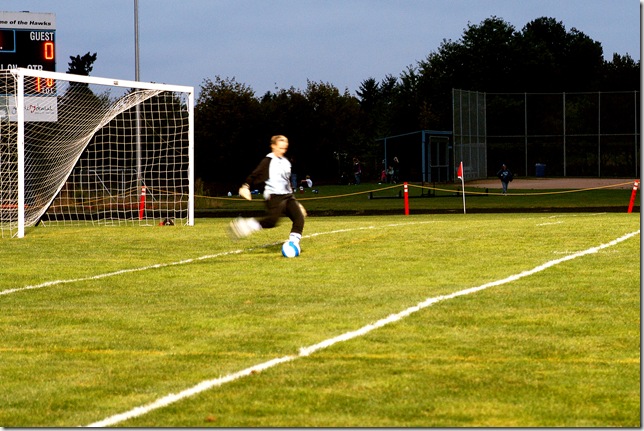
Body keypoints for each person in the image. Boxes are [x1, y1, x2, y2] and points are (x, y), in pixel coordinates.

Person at [228, 135, 306, 248]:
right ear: (273, 146)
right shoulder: (268, 161)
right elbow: (255, 174)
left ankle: (293, 244)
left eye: (285, 148)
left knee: (299, 218)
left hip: (288, 196)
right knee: (271, 222)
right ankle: (245, 225)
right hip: (274, 196)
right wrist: (245, 187)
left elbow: (286, 182)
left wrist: (296, 202)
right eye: (280, 148)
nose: (283, 150)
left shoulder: (286, 162)